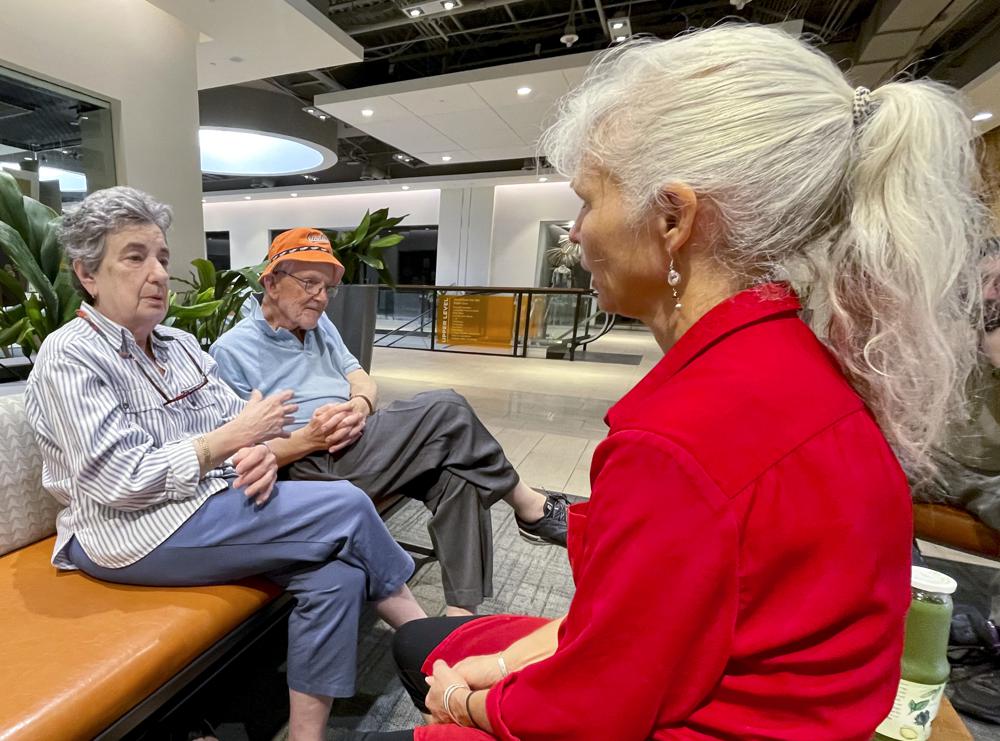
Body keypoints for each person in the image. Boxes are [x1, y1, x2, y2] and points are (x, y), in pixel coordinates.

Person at [353, 24, 990, 741]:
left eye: (588, 200)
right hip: (784, 702)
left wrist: (471, 703)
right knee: (429, 640)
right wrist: (508, 660)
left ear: (673, 217)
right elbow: (652, 620)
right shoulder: (808, 363)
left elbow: (591, 710)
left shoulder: (680, 437)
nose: (575, 232)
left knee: (430, 668)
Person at [24, 187, 427, 741]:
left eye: (162, 257)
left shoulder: (179, 346)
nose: (159, 274)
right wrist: (227, 443)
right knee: (345, 504)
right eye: (135, 257)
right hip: (130, 532)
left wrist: (257, 449)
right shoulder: (70, 355)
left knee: (337, 575)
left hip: (207, 505)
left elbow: (245, 420)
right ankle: (440, 667)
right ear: (88, 275)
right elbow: (118, 481)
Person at [209, 228, 568, 617]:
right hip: (311, 466)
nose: (321, 297)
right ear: (271, 282)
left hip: (361, 443)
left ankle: (459, 618)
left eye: (327, 288)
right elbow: (243, 454)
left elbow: (361, 378)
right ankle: (530, 506)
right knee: (445, 406)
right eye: (309, 283)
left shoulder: (317, 324)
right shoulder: (231, 350)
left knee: (458, 474)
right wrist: (311, 438)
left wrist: (360, 405)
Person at [912, 242, 1000, 532]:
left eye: (998, 285)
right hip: (932, 457)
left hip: (992, 477)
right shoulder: (947, 317)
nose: (988, 293)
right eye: (982, 281)